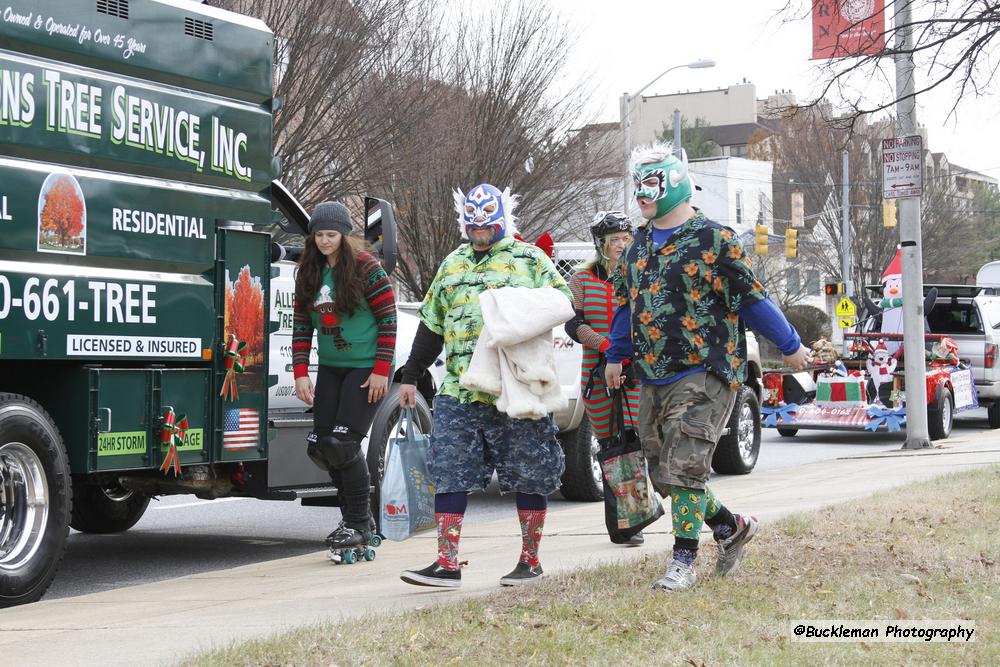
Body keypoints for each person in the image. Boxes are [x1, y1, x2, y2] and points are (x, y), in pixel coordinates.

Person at [605, 142, 811, 592]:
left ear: (674, 185)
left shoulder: (714, 240)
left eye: (651, 184)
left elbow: (751, 298)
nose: (642, 192)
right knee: (663, 472)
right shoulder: (637, 243)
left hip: (707, 370)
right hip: (652, 371)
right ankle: (729, 527)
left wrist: (790, 344)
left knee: (687, 464)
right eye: (637, 183)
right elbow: (625, 303)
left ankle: (683, 560)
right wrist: (616, 355)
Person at [397, 183, 571, 588]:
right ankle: (446, 562)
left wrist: (515, 312)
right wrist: (409, 375)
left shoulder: (530, 259)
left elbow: (563, 302)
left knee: (530, 471)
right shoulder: (452, 264)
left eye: (487, 227)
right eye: (473, 228)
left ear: (501, 223)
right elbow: (431, 324)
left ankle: (530, 560)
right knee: (449, 471)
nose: (479, 234)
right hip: (460, 390)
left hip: (515, 388)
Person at [292, 201, 397, 552]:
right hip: (332, 368)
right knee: (322, 447)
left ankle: (357, 524)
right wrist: (301, 372)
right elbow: (302, 326)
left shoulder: (367, 268)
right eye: (319, 235)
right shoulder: (308, 270)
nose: (324, 241)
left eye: (331, 235)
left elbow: (388, 321)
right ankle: (357, 517)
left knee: (343, 444)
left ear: (344, 235)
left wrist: (382, 371)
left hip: (367, 367)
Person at [564, 210, 644, 546]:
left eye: (626, 240)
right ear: (601, 243)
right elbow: (573, 324)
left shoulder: (639, 275)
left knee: (634, 443)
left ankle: (634, 522)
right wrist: (607, 345)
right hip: (596, 377)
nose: (621, 245)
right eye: (615, 241)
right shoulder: (582, 279)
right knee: (611, 446)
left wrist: (629, 353)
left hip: (635, 374)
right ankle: (619, 524)